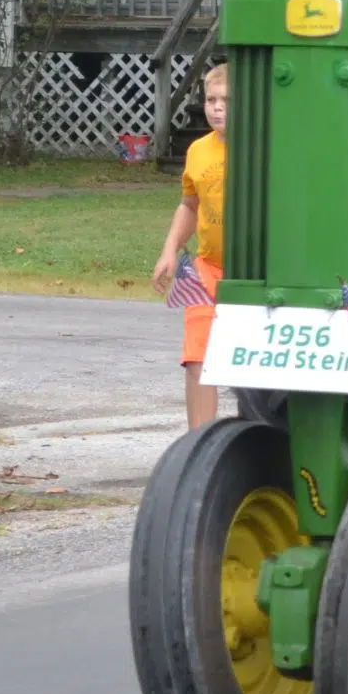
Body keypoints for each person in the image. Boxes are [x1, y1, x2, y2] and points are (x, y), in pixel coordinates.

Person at [153, 64, 231, 429]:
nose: (217, 108)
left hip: (256, 272)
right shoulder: (199, 150)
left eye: (227, 100)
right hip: (208, 267)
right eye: (211, 100)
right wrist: (170, 250)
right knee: (198, 356)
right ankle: (200, 443)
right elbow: (189, 204)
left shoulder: (266, 148)